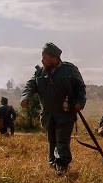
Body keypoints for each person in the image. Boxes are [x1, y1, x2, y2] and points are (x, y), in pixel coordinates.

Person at [21, 42, 86, 175]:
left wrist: (80, 103)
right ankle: (53, 165)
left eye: (45, 57)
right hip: (48, 115)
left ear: (54, 58)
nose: (42, 60)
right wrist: (26, 97)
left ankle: (62, 166)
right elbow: (30, 85)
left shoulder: (69, 69)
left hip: (65, 113)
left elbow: (81, 88)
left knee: (61, 141)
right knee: (52, 141)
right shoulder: (40, 72)